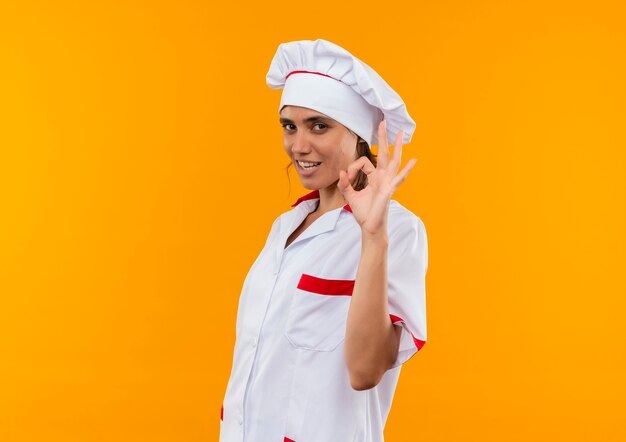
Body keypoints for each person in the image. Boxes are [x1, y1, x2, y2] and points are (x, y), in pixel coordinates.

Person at [219, 38, 428, 442]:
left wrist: (372, 235)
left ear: (358, 135)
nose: (299, 145)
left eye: (319, 125)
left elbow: (366, 371)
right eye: (289, 126)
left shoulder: (397, 230)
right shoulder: (286, 226)